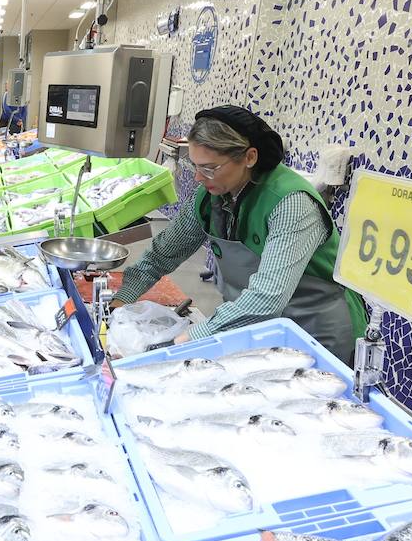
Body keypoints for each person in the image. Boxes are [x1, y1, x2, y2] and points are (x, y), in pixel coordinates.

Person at [111, 105, 367, 363]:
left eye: (209, 168)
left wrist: (186, 340)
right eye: (195, 165)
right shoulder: (209, 196)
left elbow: (267, 298)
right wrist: (120, 301)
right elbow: (164, 253)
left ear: (249, 157)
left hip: (316, 334)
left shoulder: (292, 203)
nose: (198, 177)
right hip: (258, 331)